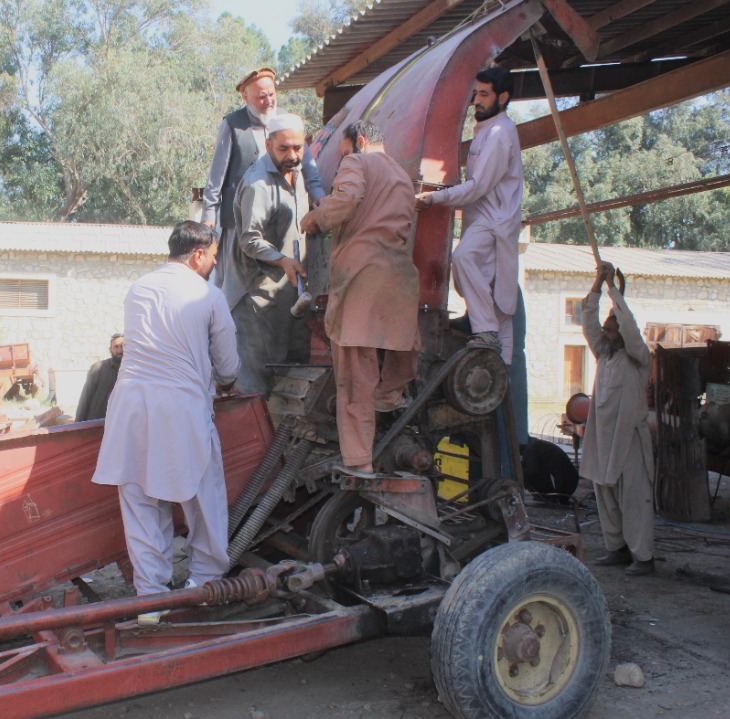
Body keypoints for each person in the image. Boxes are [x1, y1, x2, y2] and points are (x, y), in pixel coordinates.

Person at [91, 221, 240, 624]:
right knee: (202, 496)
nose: (212, 263)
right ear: (197, 256)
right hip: (181, 408)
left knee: (142, 500)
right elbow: (227, 366)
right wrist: (225, 381)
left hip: (131, 408)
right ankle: (203, 582)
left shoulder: (139, 288)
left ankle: (150, 600)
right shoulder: (208, 295)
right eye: (211, 256)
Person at [299, 121, 419, 473]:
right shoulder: (401, 176)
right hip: (398, 280)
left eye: (344, 150)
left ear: (360, 141)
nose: (343, 158)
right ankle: (388, 396)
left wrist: (316, 219)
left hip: (362, 280)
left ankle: (358, 463)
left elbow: (346, 200)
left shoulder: (358, 162)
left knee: (353, 378)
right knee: (401, 354)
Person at [416, 66, 523, 365]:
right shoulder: (486, 130)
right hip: (483, 220)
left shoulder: (501, 133)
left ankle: (486, 331)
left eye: (484, 94)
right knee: (488, 292)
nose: (477, 100)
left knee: (464, 258)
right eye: (476, 93)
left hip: (495, 222)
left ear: (503, 97)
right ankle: (481, 327)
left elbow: (476, 188)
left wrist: (435, 198)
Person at [201, 67, 325, 288]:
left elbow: (308, 166)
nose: (269, 101)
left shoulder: (288, 122)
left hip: (284, 219)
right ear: (245, 97)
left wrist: (317, 194)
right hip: (241, 220)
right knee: (235, 284)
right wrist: (209, 214)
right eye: (261, 96)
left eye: (271, 94)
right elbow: (216, 176)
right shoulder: (232, 125)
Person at [222, 112, 312, 396]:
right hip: (256, 299)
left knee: (289, 376)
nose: (292, 155)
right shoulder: (258, 184)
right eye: (283, 148)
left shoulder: (297, 174)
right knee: (254, 387)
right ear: (269, 143)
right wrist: (283, 260)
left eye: (297, 147)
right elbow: (249, 240)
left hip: (286, 296)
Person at [580, 261, 655, 576]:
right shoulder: (605, 354)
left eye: (612, 330)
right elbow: (587, 320)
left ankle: (644, 558)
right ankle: (617, 549)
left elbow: (629, 324)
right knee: (605, 494)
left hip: (630, 440)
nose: (607, 334)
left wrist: (613, 290)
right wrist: (597, 284)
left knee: (634, 498)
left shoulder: (638, 358)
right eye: (607, 331)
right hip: (603, 439)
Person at [74, 333, 124, 421]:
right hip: (97, 423)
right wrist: (78, 425)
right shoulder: (98, 368)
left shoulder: (131, 371)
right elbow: (85, 398)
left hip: (119, 423)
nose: (120, 350)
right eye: (116, 347)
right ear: (110, 349)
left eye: (122, 346)